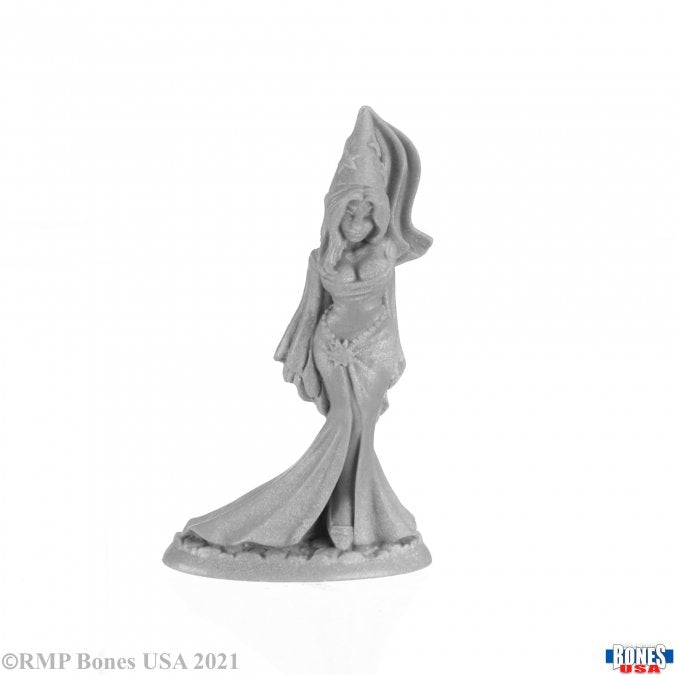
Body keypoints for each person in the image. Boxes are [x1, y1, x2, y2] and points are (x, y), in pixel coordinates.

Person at [178, 106, 432, 555]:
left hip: (375, 345)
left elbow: (392, 307)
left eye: (368, 210)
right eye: (350, 210)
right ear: (335, 211)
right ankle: (306, 510)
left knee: (364, 428)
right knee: (344, 420)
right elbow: (309, 309)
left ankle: (352, 511)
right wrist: (299, 354)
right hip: (330, 345)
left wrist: (397, 355)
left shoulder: (389, 250)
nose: (359, 219)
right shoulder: (320, 259)